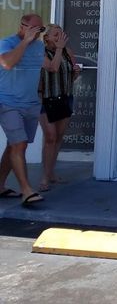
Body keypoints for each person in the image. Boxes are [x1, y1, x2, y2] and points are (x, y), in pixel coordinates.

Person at [0, 13, 62, 206]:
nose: (38, 33)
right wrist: (25, 42)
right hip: (8, 103)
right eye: (35, 29)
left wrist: (59, 49)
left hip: (31, 104)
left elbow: (52, 67)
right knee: (20, 145)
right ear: (23, 26)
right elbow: (7, 63)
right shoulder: (8, 43)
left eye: (40, 30)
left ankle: (0, 185)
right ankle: (27, 190)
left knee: (14, 145)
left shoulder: (38, 46)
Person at [38, 24, 81, 192]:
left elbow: (72, 74)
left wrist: (76, 72)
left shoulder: (67, 52)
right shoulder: (40, 52)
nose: (59, 37)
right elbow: (53, 68)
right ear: (47, 38)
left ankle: (51, 172)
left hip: (65, 97)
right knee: (50, 137)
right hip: (46, 99)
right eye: (55, 35)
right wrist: (59, 49)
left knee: (58, 137)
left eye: (61, 34)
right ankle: (45, 177)